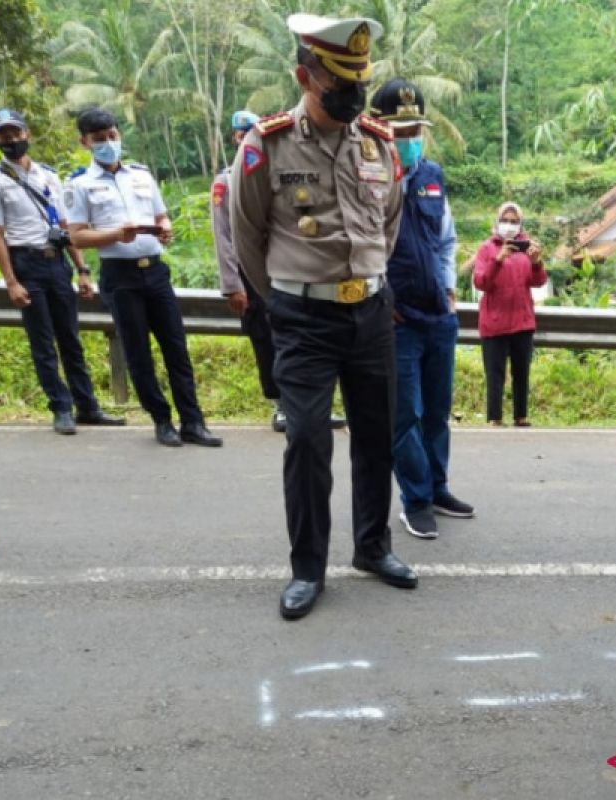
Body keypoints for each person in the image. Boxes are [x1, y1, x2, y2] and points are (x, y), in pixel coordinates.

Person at [229, 13, 418, 620]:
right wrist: (288, 298)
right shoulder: (267, 142)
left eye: (358, 80)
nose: (353, 93)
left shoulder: (377, 143)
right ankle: (307, 568)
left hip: (370, 310)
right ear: (305, 75)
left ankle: (373, 548)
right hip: (302, 317)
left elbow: (388, 224)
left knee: (376, 435)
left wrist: (366, 284)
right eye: (339, 81)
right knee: (308, 439)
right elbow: (247, 235)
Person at [65, 107, 221, 448]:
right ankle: (162, 421)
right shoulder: (80, 184)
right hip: (120, 276)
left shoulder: (141, 175)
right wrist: (115, 235)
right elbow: (76, 236)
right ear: (85, 142)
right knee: (138, 353)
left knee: (176, 349)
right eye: (99, 139)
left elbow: (161, 215)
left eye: (112, 135)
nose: (108, 143)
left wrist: (165, 228)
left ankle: (193, 422)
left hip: (155, 271)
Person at [368, 77, 473, 540]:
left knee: (436, 411)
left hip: (438, 315)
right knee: (404, 414)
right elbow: (357, 246)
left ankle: (437, 486)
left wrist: (450, 290)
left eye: (415, 130)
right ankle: (415, 498)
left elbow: (445, 239)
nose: (408, 139)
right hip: (398, 319)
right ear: (377, 129)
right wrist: (380, 295)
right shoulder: (366, 178)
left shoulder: (431, 176)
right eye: (399, 130)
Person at [0, 108, 124, 435]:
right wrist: (11, 282)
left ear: (27, 133)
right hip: (25, 264)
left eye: (16, 132)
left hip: (56, 264)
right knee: (43, 343)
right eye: (4, 134)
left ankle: (87, 407)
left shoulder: (49, 176)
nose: (12, 139)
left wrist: (82, 270)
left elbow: (66, 226)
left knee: (71, 339)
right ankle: (60, 407)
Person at [211, 110, 348, 435]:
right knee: (266, 340)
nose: (250, 139)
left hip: (292, 270)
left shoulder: (285, 172)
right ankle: (281, 405)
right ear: (236, 138)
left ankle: (316, 404)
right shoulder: (227, 181)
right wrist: (232, 284)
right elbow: (224, 235)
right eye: (243, 133)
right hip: (253, 273)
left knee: (305, 338)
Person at [472, 202, 547, 427]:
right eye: (505, 220)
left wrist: (536, 263)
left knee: (521, 372)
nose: (509, 225)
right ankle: (495, 417)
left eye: (514, 222)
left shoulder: (527, 249)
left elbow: (538, 281)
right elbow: (481, 282)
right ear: (497, 222)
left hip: (522, 321)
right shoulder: (487, 249)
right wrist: (498, 260)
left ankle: (521, 415)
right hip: (494, 322)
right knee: (495, 374)